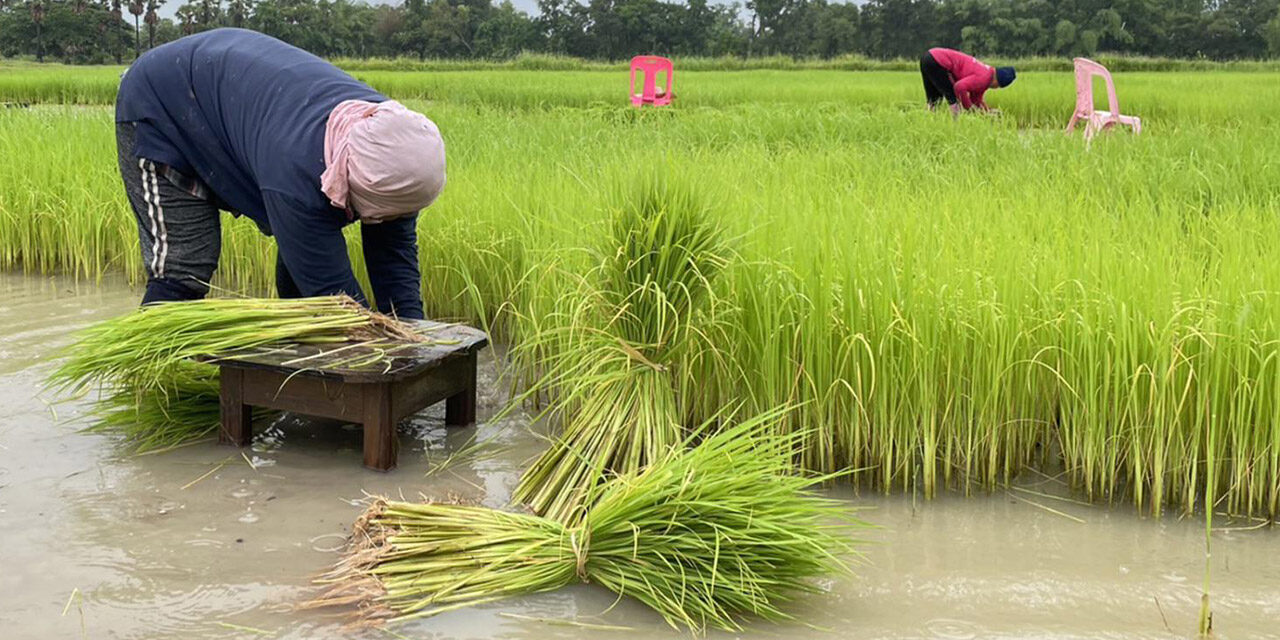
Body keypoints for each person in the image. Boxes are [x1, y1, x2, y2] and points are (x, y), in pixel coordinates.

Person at [115, 28, 446, 320]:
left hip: (240, 93)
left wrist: (415, 335)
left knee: (309, 249)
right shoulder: (298, 175)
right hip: (164, 106)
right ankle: (155, 378)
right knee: (184, 268)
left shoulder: (397, 147)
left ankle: (300, 370)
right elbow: (335, 302)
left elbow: (394, 262)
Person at [919, 48, 1016, 116]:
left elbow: (976, 99)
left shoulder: (987, 73)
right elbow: (959, 87)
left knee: (934, 100)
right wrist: (969, 108)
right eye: (998, 86)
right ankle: (956, 126)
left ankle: (929, 121)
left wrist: (988, 111)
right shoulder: (985, 78)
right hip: (938, 61)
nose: (996, 88)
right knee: (952, 98)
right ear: (997, 81)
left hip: (927, 57)